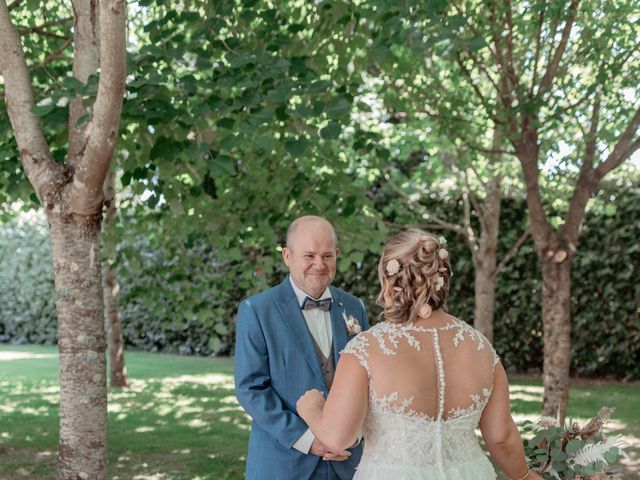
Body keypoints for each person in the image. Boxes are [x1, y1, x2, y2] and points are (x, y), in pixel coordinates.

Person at [297, 229, 543, 480]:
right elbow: (501, 438)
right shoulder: (480, 347)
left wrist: (312, 409)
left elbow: (339, 438)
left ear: (388, 279)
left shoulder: (366, 349)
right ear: (442, 278)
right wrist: (524, 476)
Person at [235, 215, 370, 480]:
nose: (319, 265)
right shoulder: (257, 310)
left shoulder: (355, 307)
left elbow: (370, 383)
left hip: (347, 463)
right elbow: (250, 389)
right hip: (284, 465)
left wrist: (352, 436)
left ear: (337, 255)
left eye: (327, 256)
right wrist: (310, 440)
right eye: (309, 255)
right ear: (288, 256)